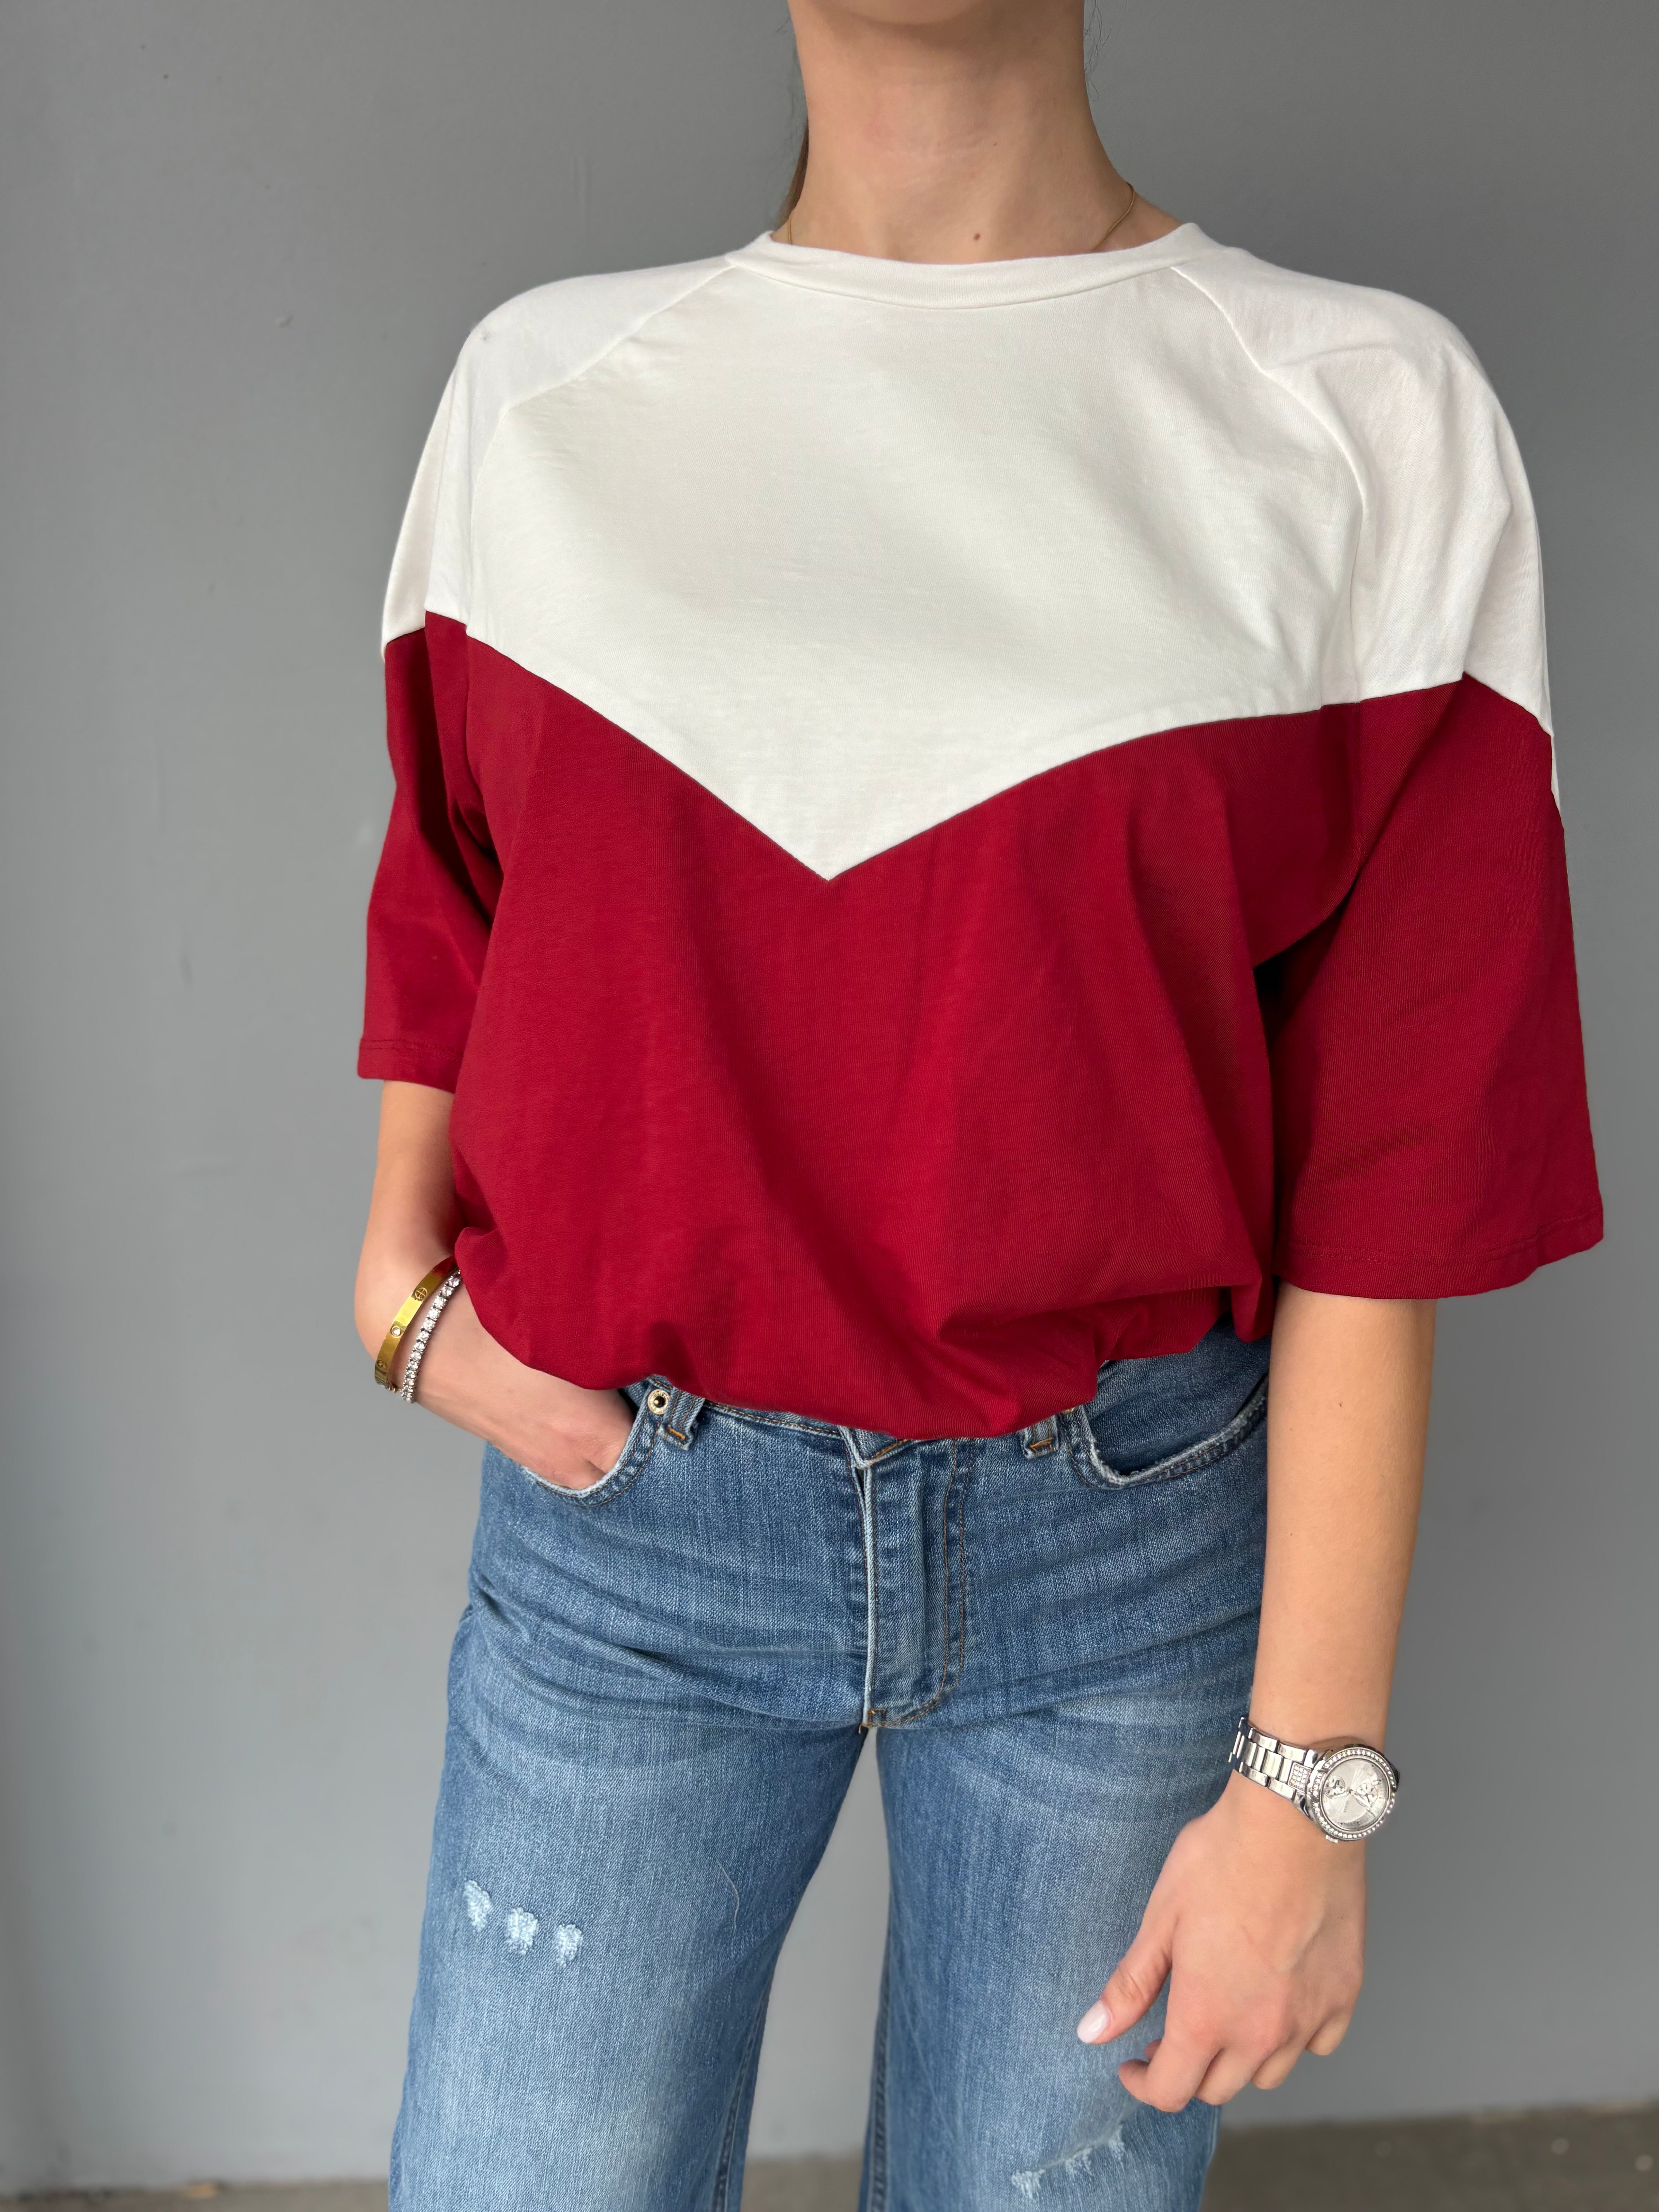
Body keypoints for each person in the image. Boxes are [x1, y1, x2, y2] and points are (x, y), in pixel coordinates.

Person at [352, 2, 1602, 2205]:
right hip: (633, 1528)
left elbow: (1395, 1169)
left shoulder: (1361, 412)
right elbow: (455, 908)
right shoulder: (541, 398)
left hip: (1121, 1557)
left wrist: (1310, 1785)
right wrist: (399, 1296)